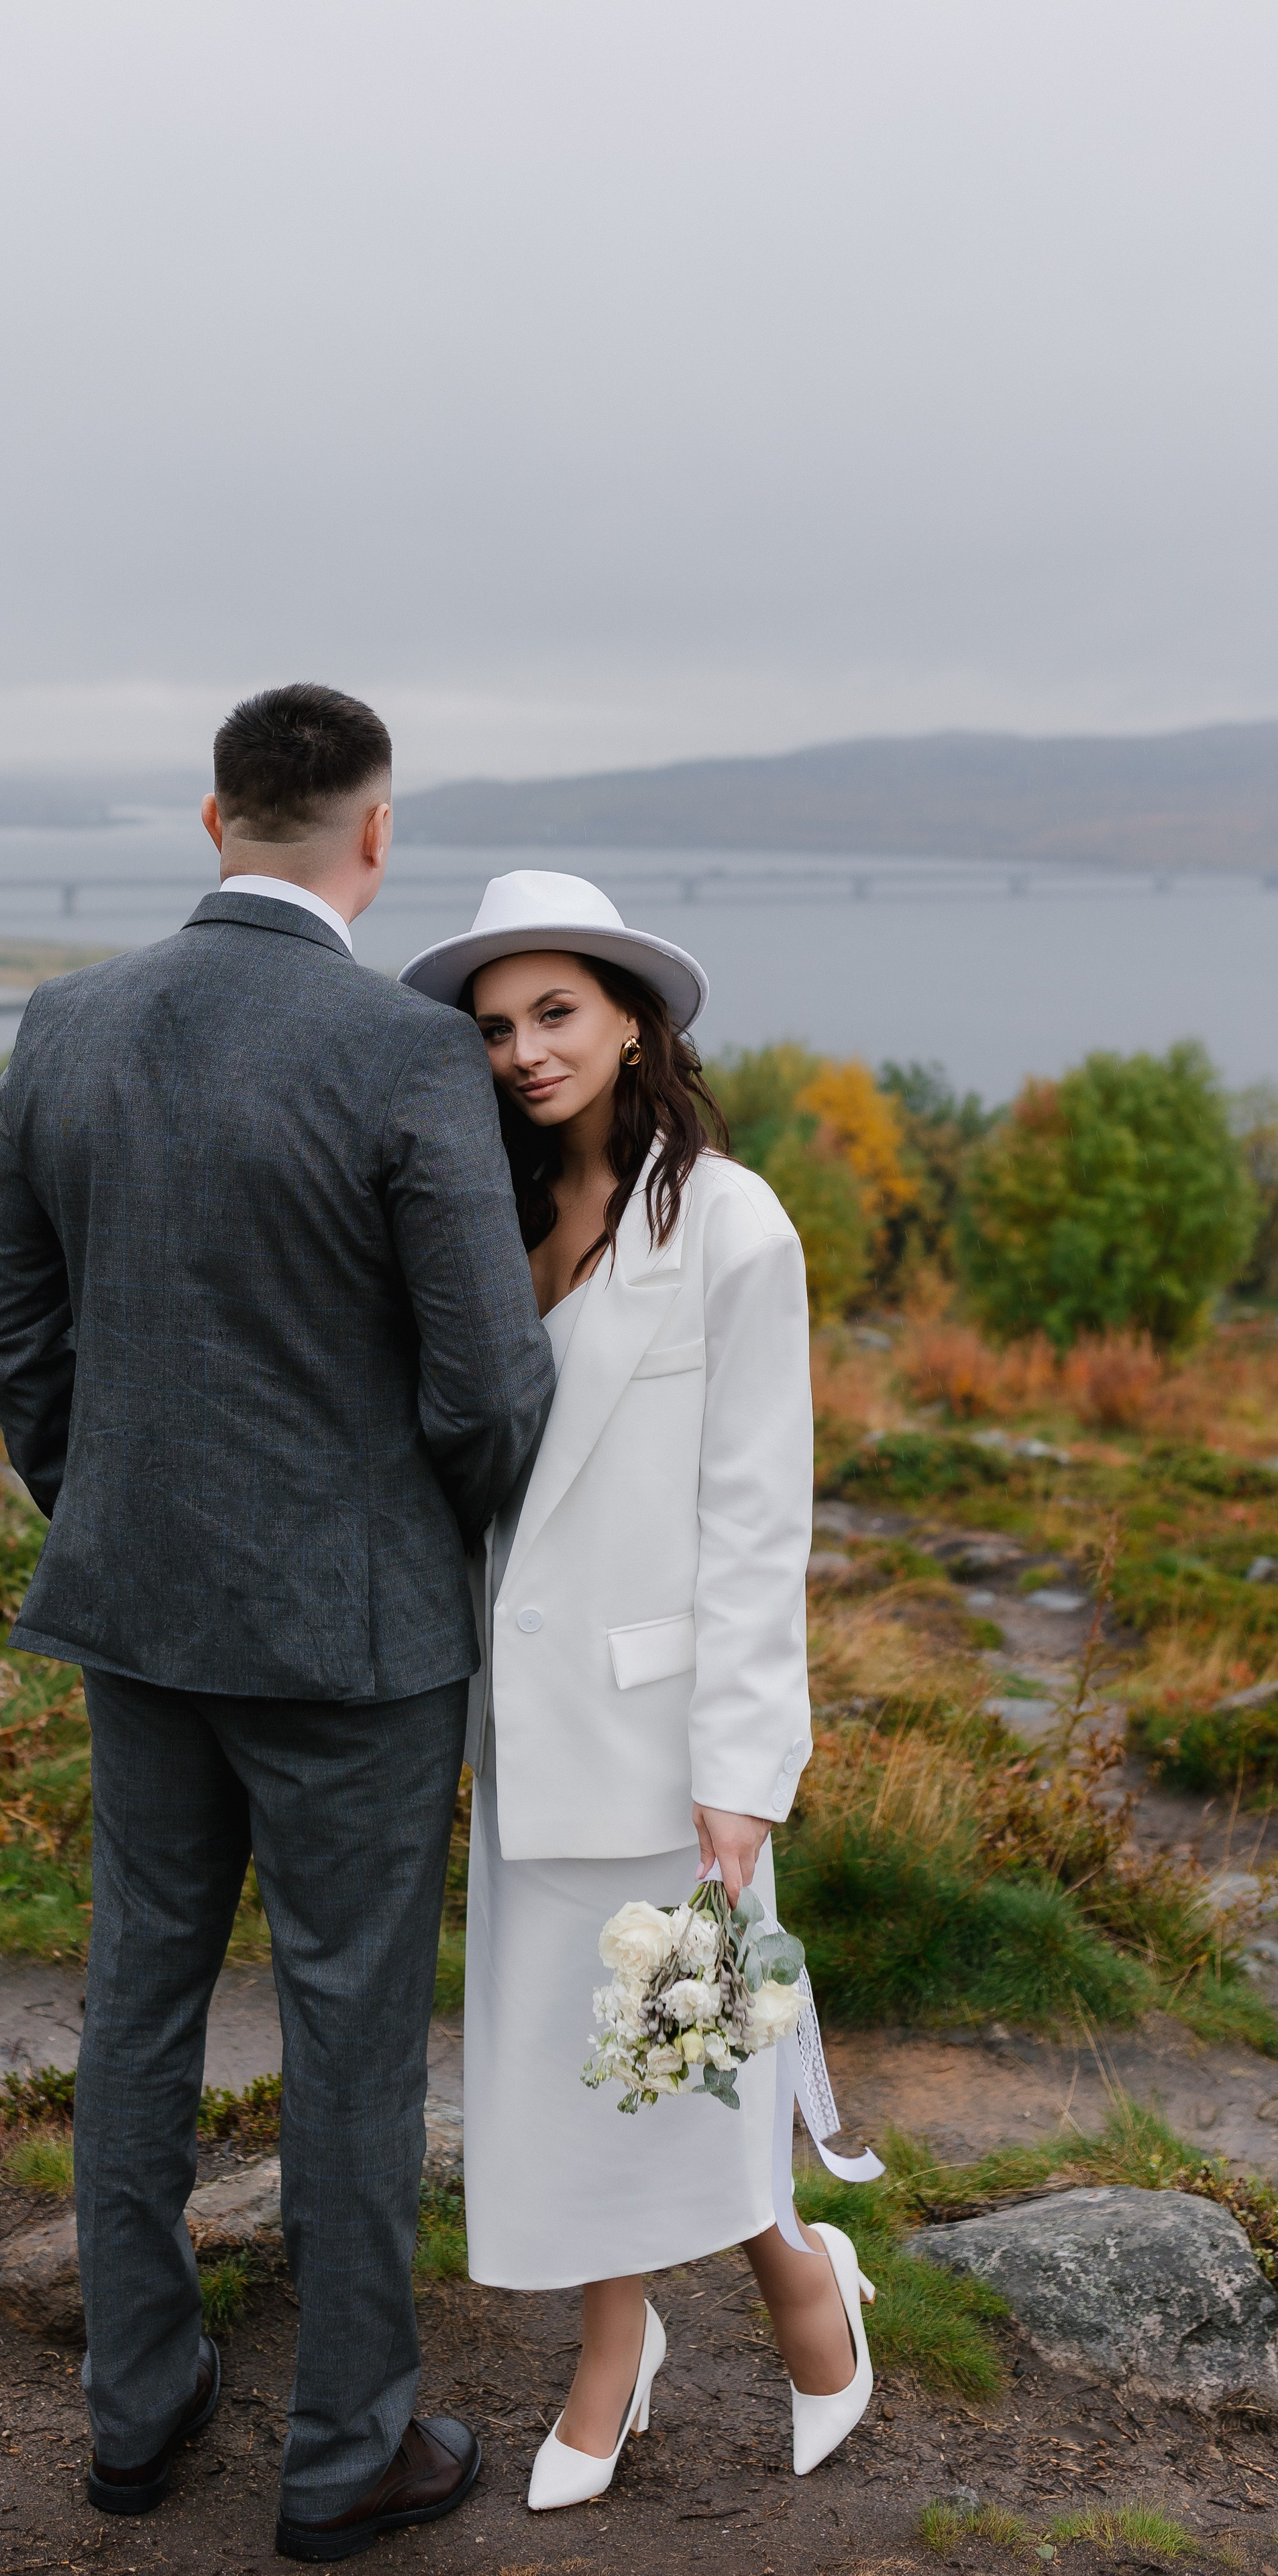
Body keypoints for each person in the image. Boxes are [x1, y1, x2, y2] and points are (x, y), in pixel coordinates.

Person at [0, 686, 553, 2564]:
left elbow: (4, 1324)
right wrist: (424, 1543)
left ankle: (136, 2417)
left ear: (211, 822)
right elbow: (489, 1384)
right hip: (358, 1643)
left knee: (138, 2000)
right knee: (355, 2034)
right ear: (377, 839)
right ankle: (348, 2454)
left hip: (135, 1617)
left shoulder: (67, 1022)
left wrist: (110, 1505)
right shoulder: (404, 1059)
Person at [398, 871, 875, 2512]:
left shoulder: (730, 1221)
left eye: (555, 1015)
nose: (524, 1052)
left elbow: (757, 1519)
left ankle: (798, 2281)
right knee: (558, 2063)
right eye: (494, 1028)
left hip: (670, 1732)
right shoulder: (487, 1219)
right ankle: (618, 2346)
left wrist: (745, 1764)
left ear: (628, 1021)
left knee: (683, 2052)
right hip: (519, 1729)